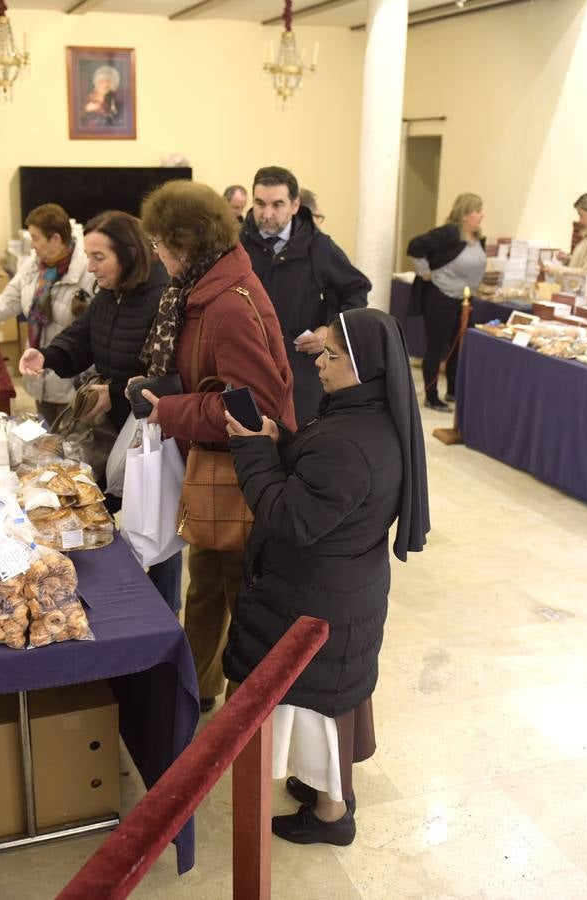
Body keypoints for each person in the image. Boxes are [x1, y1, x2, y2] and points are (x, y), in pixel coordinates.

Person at [223, 307, 430, 846]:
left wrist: (250, 449)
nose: (320, 362)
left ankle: (333, 814)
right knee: (328, 704)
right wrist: (276, 439)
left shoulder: (349, 441)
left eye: (332, 355)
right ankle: (327, 793)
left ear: (363, 366)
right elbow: (319, 484)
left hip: (315, 596)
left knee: (318, 707)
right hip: (342, 586)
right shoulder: (367, 416)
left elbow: (290, 517)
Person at [136, 180, 295, 714]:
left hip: (240, 474)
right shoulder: (202, 290)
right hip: (214, 465)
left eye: (159, 242)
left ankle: (245, 711)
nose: (155, 254)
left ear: (183, 243)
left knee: (236, 595)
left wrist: (171, 410)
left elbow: (255, 408)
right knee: (205, 588)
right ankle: (196, 691)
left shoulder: (227, 304)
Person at [17, 210, 182, 612]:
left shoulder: (162, 295)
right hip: (116, 432)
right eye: (87, 256)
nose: (89, 266)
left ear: (127, 254)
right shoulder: (111, 293)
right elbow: (83, 336)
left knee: (157, 531)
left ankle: (161, 614)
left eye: (98, 257)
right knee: (109, 517)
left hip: (154, 436)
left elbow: (172, 374)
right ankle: (116, 604)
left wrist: (118, 392)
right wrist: (48, 354)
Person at [0, 204, 96, 423]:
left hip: (72, 382)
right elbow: (5, 304)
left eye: (36, 238)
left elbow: (95, 331)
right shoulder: (34, 267)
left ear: (56, 239)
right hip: (39, 377)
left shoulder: (89, 271)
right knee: (47, 447)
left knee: (73, 448)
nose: (32, 245)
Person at [241, 166, 370, 423]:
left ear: (295, 204)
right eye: (260, 203)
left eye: (277, 204)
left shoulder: (317, 246)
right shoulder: (236, 244)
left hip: (300, 374)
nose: (267, 214)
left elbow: (356, 290)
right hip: (248, 367)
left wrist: (329, 331)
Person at [406, 193, 487, 410]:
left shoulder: (477, 238)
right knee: (437, 348)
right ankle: (431, 396)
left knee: (459, 347)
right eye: (478, 211)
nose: (482, 215)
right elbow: (415, 246)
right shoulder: (450, 233)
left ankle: (453, 391)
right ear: (465, 214)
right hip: (442, 298)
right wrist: (425, 273)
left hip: (465, 301)